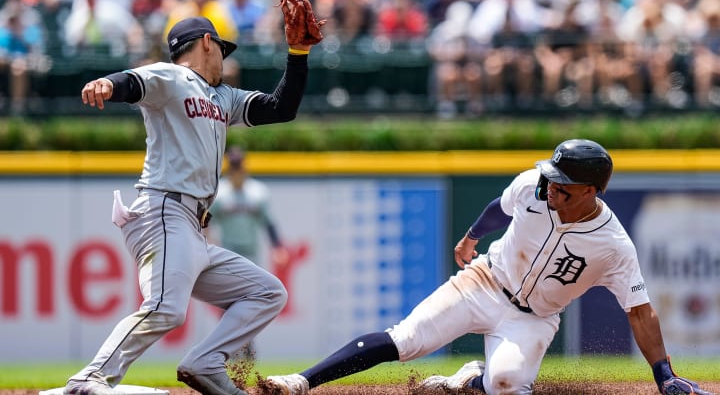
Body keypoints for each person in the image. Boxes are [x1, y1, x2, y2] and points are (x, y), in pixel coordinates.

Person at [263, 139, 712, 395]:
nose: (550, 188)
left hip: (533, 319)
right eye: (550, 179)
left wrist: (665, 376)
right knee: (407, 339)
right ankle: (301, 382)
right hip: (483, 281)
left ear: (591, 190)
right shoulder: (535, 189)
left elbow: (640, 310)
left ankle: (472, 380)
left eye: (562, 185)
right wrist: (471, 237)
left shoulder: (614, 246)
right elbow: (501, 206)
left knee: (506, 385)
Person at [64, 15, 314, 395]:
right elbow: (132, 83)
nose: (225, 62)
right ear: (207, 43)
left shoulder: (223, 97)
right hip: (163, 210)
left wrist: (298, 53)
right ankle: (90, 378)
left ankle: (206, 362)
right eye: (223, 51)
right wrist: (106, 84)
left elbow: (282, 108)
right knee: (166, 306)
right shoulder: (170, 77)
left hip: (192, 228)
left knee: (268, 293)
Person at [210, 147, 289, 270]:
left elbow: (268, 222)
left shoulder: (258, 192)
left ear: (244, 168)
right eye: (234, 167)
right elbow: (207, 222)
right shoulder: (219, 192)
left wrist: (277, 246)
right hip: (227, 251)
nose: (237, 171)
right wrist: (208, 243)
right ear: (229, 169)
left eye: (239, 167)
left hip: (251, 252)